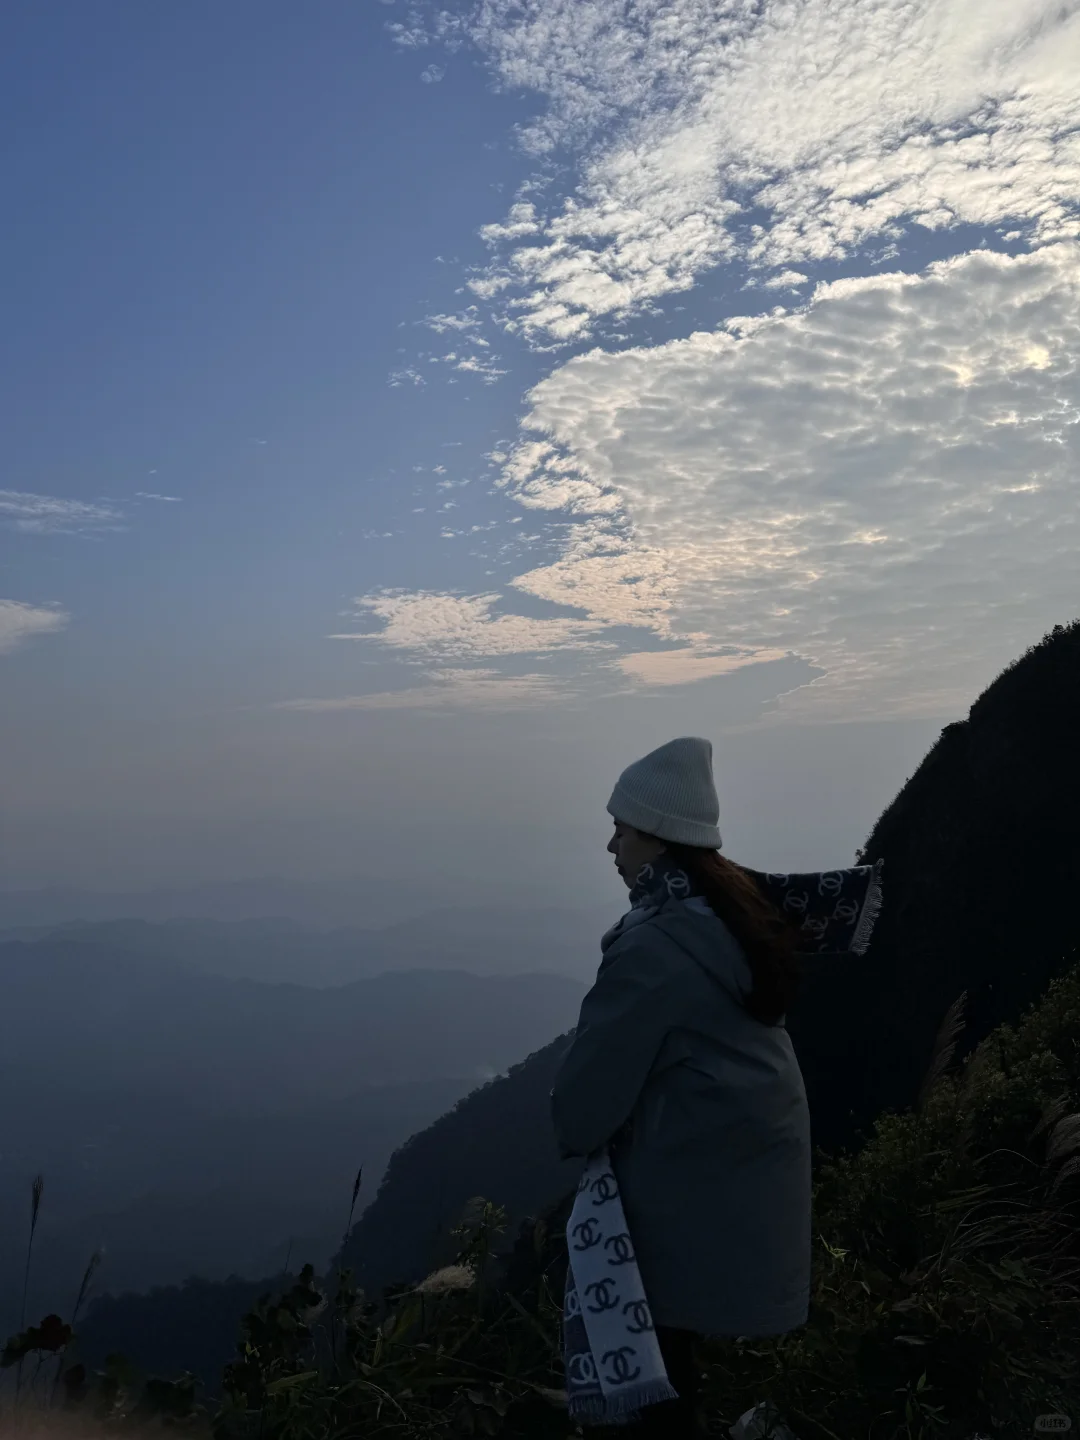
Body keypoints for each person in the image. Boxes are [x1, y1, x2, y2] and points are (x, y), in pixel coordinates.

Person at [551, 736, 813, 1437]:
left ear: (658, 840)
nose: (611, 846)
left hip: (695, 1209)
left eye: (622, 829)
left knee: (655, 1398)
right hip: (748, 1195)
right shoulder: (734, 918)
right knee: (679, 1384)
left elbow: (578, 1114)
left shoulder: (654, 945)